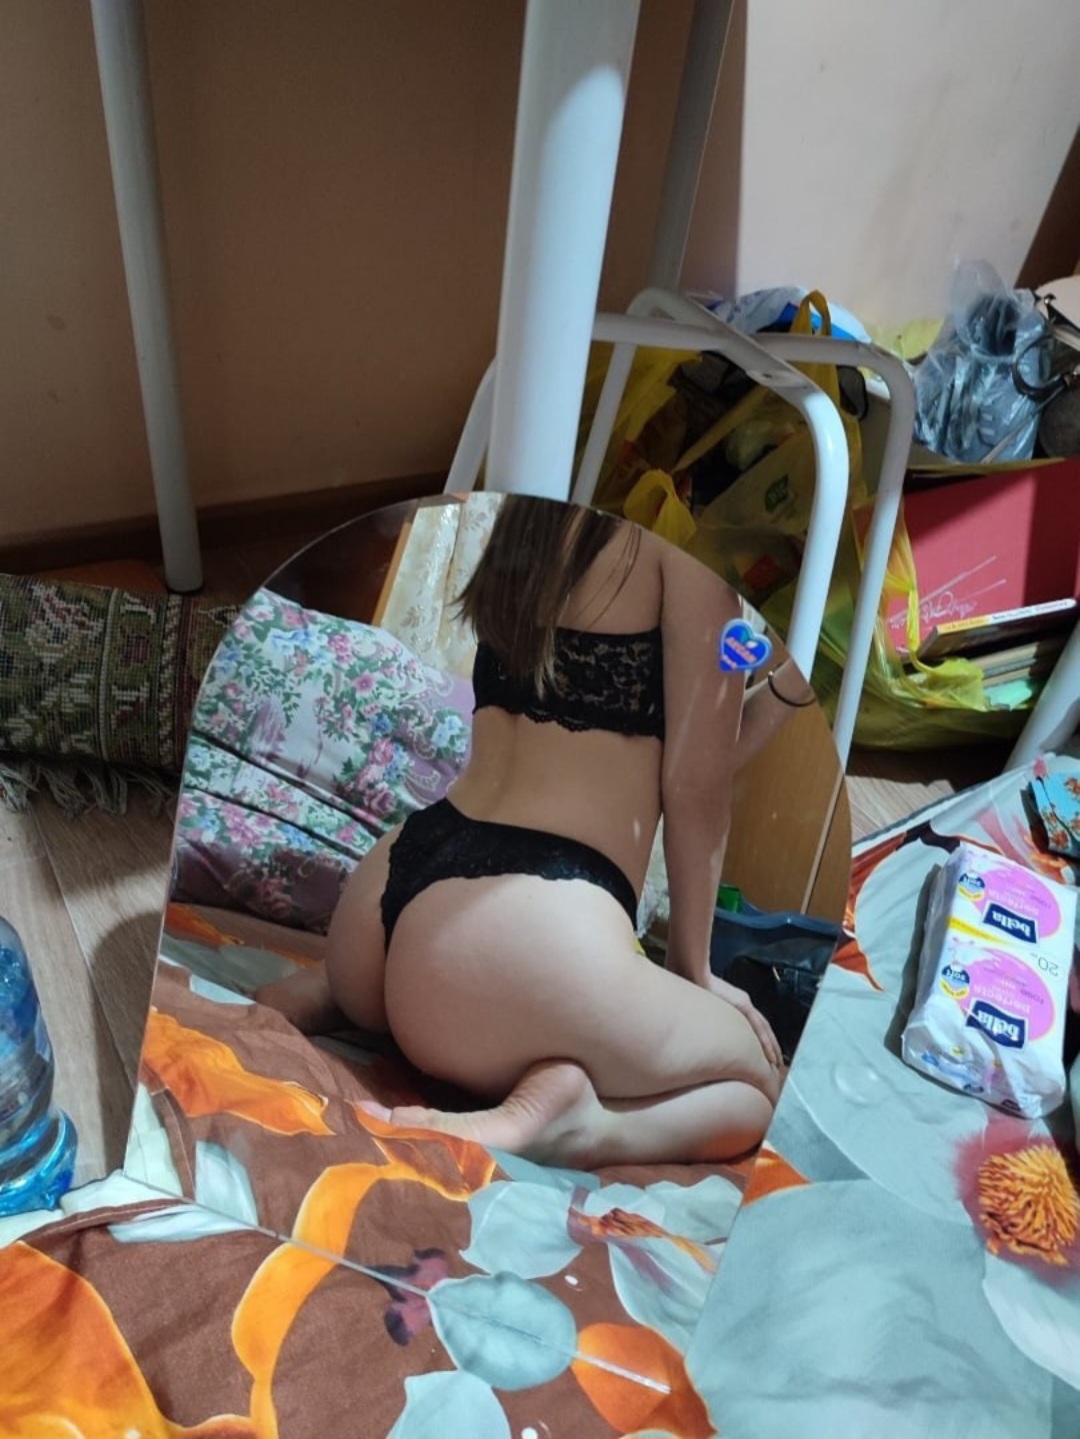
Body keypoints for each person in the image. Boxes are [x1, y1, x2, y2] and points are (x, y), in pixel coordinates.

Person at [260, 496, 809, 1167]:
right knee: (761, 1084)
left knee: (433, 976)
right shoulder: (685, 556)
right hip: (515, 941)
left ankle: (339, 993)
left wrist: (789, 689)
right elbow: (696, 784)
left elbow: (678, 749)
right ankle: (577, 1125)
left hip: (390, 891)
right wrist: (693, 969)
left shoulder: (536, 516)